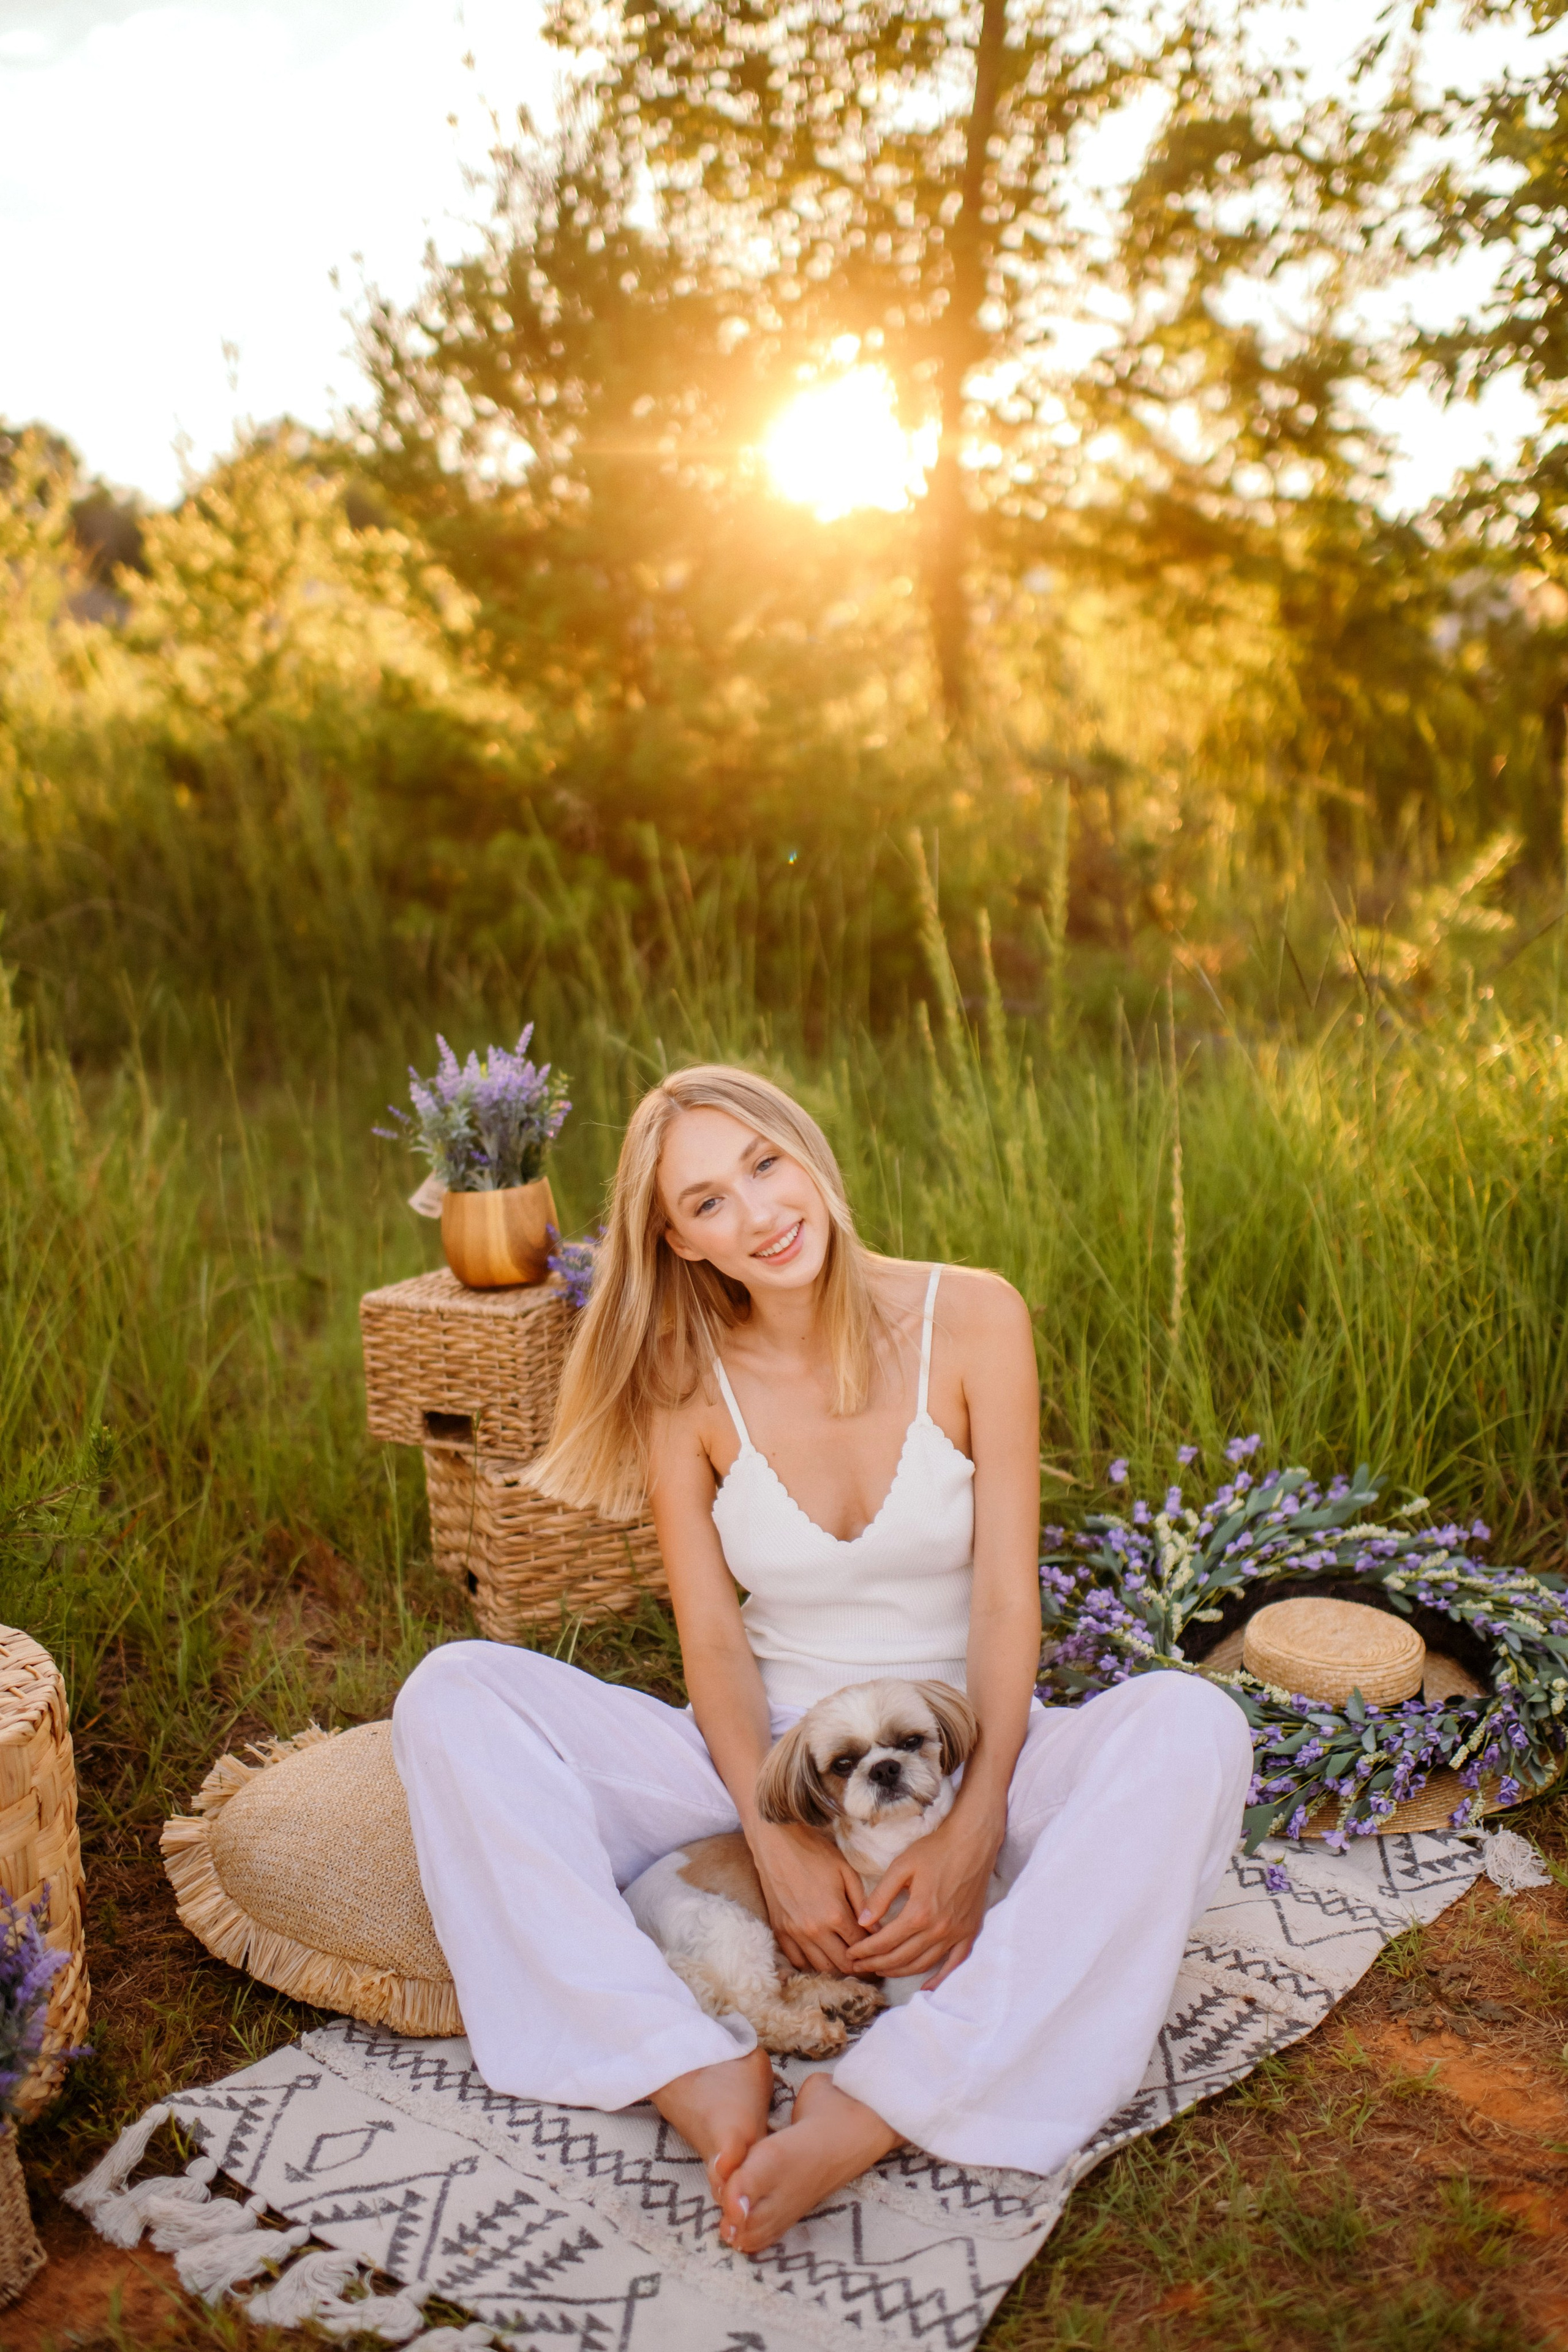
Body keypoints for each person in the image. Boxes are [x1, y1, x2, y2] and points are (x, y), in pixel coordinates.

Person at [392, 1065, 1251, 2254]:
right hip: (766, 1757)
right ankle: (680, 2061)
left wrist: (967, 1830)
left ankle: (873, 2100)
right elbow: (709, 1644)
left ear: (808, 1154)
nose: (756, 1213)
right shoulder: (681, 1384)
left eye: (763, 1164)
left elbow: (1007, 1603)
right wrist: (775, 1840)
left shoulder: (974, 1316)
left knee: (1192, 1727)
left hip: (958, 1743)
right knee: (453, 1693)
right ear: (679, 1243)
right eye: (705, 1203)